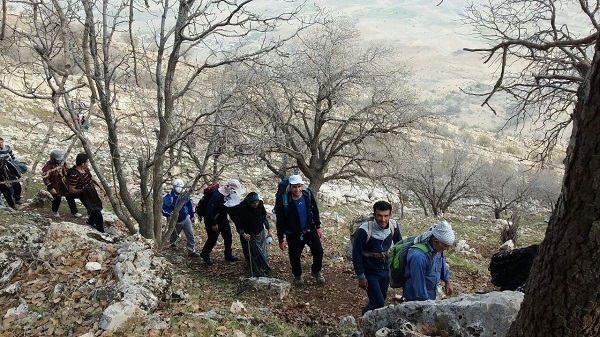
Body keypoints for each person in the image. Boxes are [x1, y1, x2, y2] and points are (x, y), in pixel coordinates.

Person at [352, 201, 402, 315]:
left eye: (386, 216)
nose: (383, 219)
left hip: (385, 270)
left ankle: (371, 318)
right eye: (379, 215)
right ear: (374, 215)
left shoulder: (394, 226)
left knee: (382, 298)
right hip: (369, 271)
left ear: (390, 216)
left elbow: (400, 246)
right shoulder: (364, 230)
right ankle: (364, 316)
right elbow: (356, 254)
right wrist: (361, 276)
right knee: (378, 301)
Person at [276, 174, 325, 286]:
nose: (297, 189)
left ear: (302, 186)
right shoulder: (285, 201)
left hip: (309, 229)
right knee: (294, 256)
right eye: (294, 187)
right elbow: (280, 221)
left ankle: (316, 271)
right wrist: (281, 239)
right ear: (290, 187)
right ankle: (297, 276)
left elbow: (315, 210)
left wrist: (318, 226)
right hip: (293, 233)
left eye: (299, 186)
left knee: (319, 251)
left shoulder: (307, 194)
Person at [403, 220, 455, 301]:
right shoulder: (418, 256)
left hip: (430, 294)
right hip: (416, 299)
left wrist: (447, 281)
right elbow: (418, 287)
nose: (447, 249)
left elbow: (441, 264)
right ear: (436, 242)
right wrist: (428, 304)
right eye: (445, 246)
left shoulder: (438, 250)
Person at [199, 179, 244, 265]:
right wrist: (213, 223)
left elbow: (231, 208)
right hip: (211, 218)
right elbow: (209, 210)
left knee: (228, 235)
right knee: (213, 237)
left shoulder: (230, 195)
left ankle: (228, 255)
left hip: (222, 217)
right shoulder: (217, 195)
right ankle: (205, 254)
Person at [228, 192, 273, 277]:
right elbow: (239, 225)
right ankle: (255, 272)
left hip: (259, 234)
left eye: (257, 202)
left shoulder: (260, 205)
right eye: (253, 203)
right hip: (248, 236)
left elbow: (264, 217)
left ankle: (264, 270)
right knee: (252, 255)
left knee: (262, 254)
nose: (255, 204)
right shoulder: (241, 209)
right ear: (249, 203)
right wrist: (244, 234)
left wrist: (269, 230)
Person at [67, 153, 105, 233]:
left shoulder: (86, 169)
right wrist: (83, 190)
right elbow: (71, 190)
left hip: (91, 192)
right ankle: (101, 231)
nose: (88, 164)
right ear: (82, 164)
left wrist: (101, 187)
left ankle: (90, 222)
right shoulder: (74, 175)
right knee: (97, 212)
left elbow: (91, 178)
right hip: (84, 195)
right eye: (87, 162)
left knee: (96, 208)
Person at [162, 179, 200, 257]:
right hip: (175, 221)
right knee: (174, 235)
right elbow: (164, 209)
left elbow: (189, 204)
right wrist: (169, 214)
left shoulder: (185, 194)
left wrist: (192, 215)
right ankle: (173, 244)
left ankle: (191, 250)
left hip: (185, 218)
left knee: (190, 235)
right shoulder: (168, 197)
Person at [41, 150, 82, 218]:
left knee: (69, 196)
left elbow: (67, 169)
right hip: (54, 185)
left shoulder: (63, 163)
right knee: (57, 198)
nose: (59, 161)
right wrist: (50, 187)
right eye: (57, 160)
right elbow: (45, 178)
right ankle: (55, 211)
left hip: (63, 183)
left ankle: (74, 212)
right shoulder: (48, 166)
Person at [0, 136, 22, 207]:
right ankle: (12, 205)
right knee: (6, 191)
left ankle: (17, 199)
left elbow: (13, 164)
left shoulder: (5, 160)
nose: (0, 143)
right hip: (1, 177)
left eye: (1, 142)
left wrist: (18, 175)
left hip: (8, 172)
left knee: (17, 185)